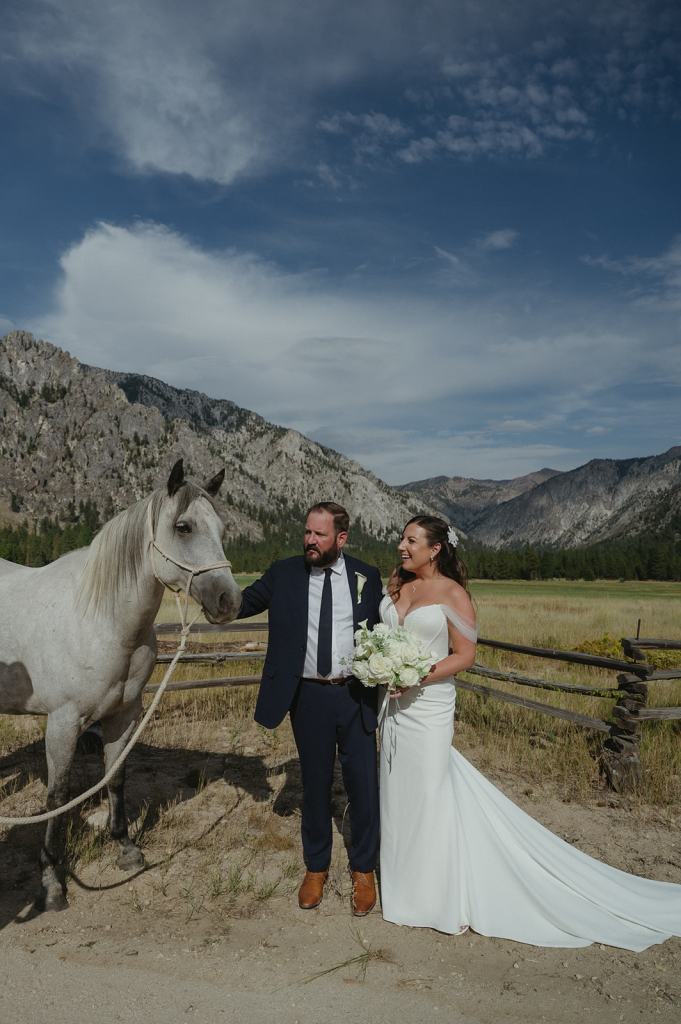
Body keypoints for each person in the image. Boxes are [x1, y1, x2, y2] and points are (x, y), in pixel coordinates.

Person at [378, 514, 681, 949]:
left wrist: (416, 675)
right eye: (401, 540)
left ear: (435, 548)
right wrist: (382, 667)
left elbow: (465, 655)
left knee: (429, 793)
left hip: (427, 706)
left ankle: (439, 898)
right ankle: (404, 888)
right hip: (390, 708)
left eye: (410, 541)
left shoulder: (453, 593)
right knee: (397, 792)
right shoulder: (397, 586)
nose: (401, 547)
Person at [238, 501, 383, 915]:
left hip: (356, 695)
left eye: (319, 535)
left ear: (341, 538)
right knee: (315, 785)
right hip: (308, 698)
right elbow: (241, 603)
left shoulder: (365, 576)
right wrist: (202, 585)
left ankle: (364, 870)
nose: (310, 541)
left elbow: (385, 626)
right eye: (307, 532)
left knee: (363, 785)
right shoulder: (284, 573)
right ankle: (316, 868)